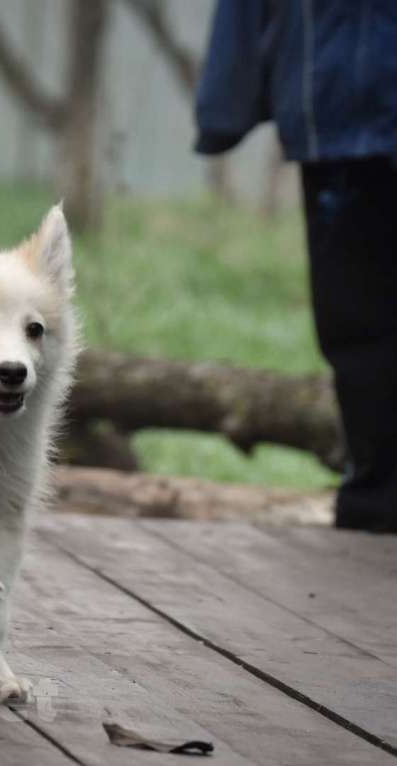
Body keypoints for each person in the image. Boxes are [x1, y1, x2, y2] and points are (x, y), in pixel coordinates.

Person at [195, 1, 397, 533]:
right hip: (333, 125)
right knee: (354, 325)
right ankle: (376, 498)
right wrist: (225, 104)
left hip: (333, 115)